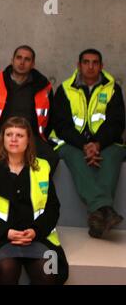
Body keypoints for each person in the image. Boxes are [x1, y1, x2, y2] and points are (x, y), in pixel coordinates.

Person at [0, 117, 68, 285]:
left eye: (19, 135)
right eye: (9, 134)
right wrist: (6, 232)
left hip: (37, 237)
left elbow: (53, 208)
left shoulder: (42, 166)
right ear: (3, 139)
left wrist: (35, 231)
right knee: (7, 269)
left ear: (28, 140)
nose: (14, 139)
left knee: (50, 271)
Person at [51, 48, 125, 239]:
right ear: (79, 65)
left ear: (101, 66)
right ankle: (104, 209)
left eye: (95, 63)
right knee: (76, 158)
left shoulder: (113, 89)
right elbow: (61, 125)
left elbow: (117, 122)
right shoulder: (65, 89)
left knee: (113, 156)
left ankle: (97, 218)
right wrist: (85, 145)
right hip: (71, 143)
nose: (90, 66)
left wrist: (97, 144)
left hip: (106, 143)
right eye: (86, 62)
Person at [0, 45, 59, 173]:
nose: (22, 62)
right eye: (19, 58)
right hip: (1, 134)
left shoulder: (43, 86)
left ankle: (31, 187)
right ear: (12, 60)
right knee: (6, 161)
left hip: (30, 135)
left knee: (51, 158)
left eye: (27, 59)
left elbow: (52, 118)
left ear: (33, 64)